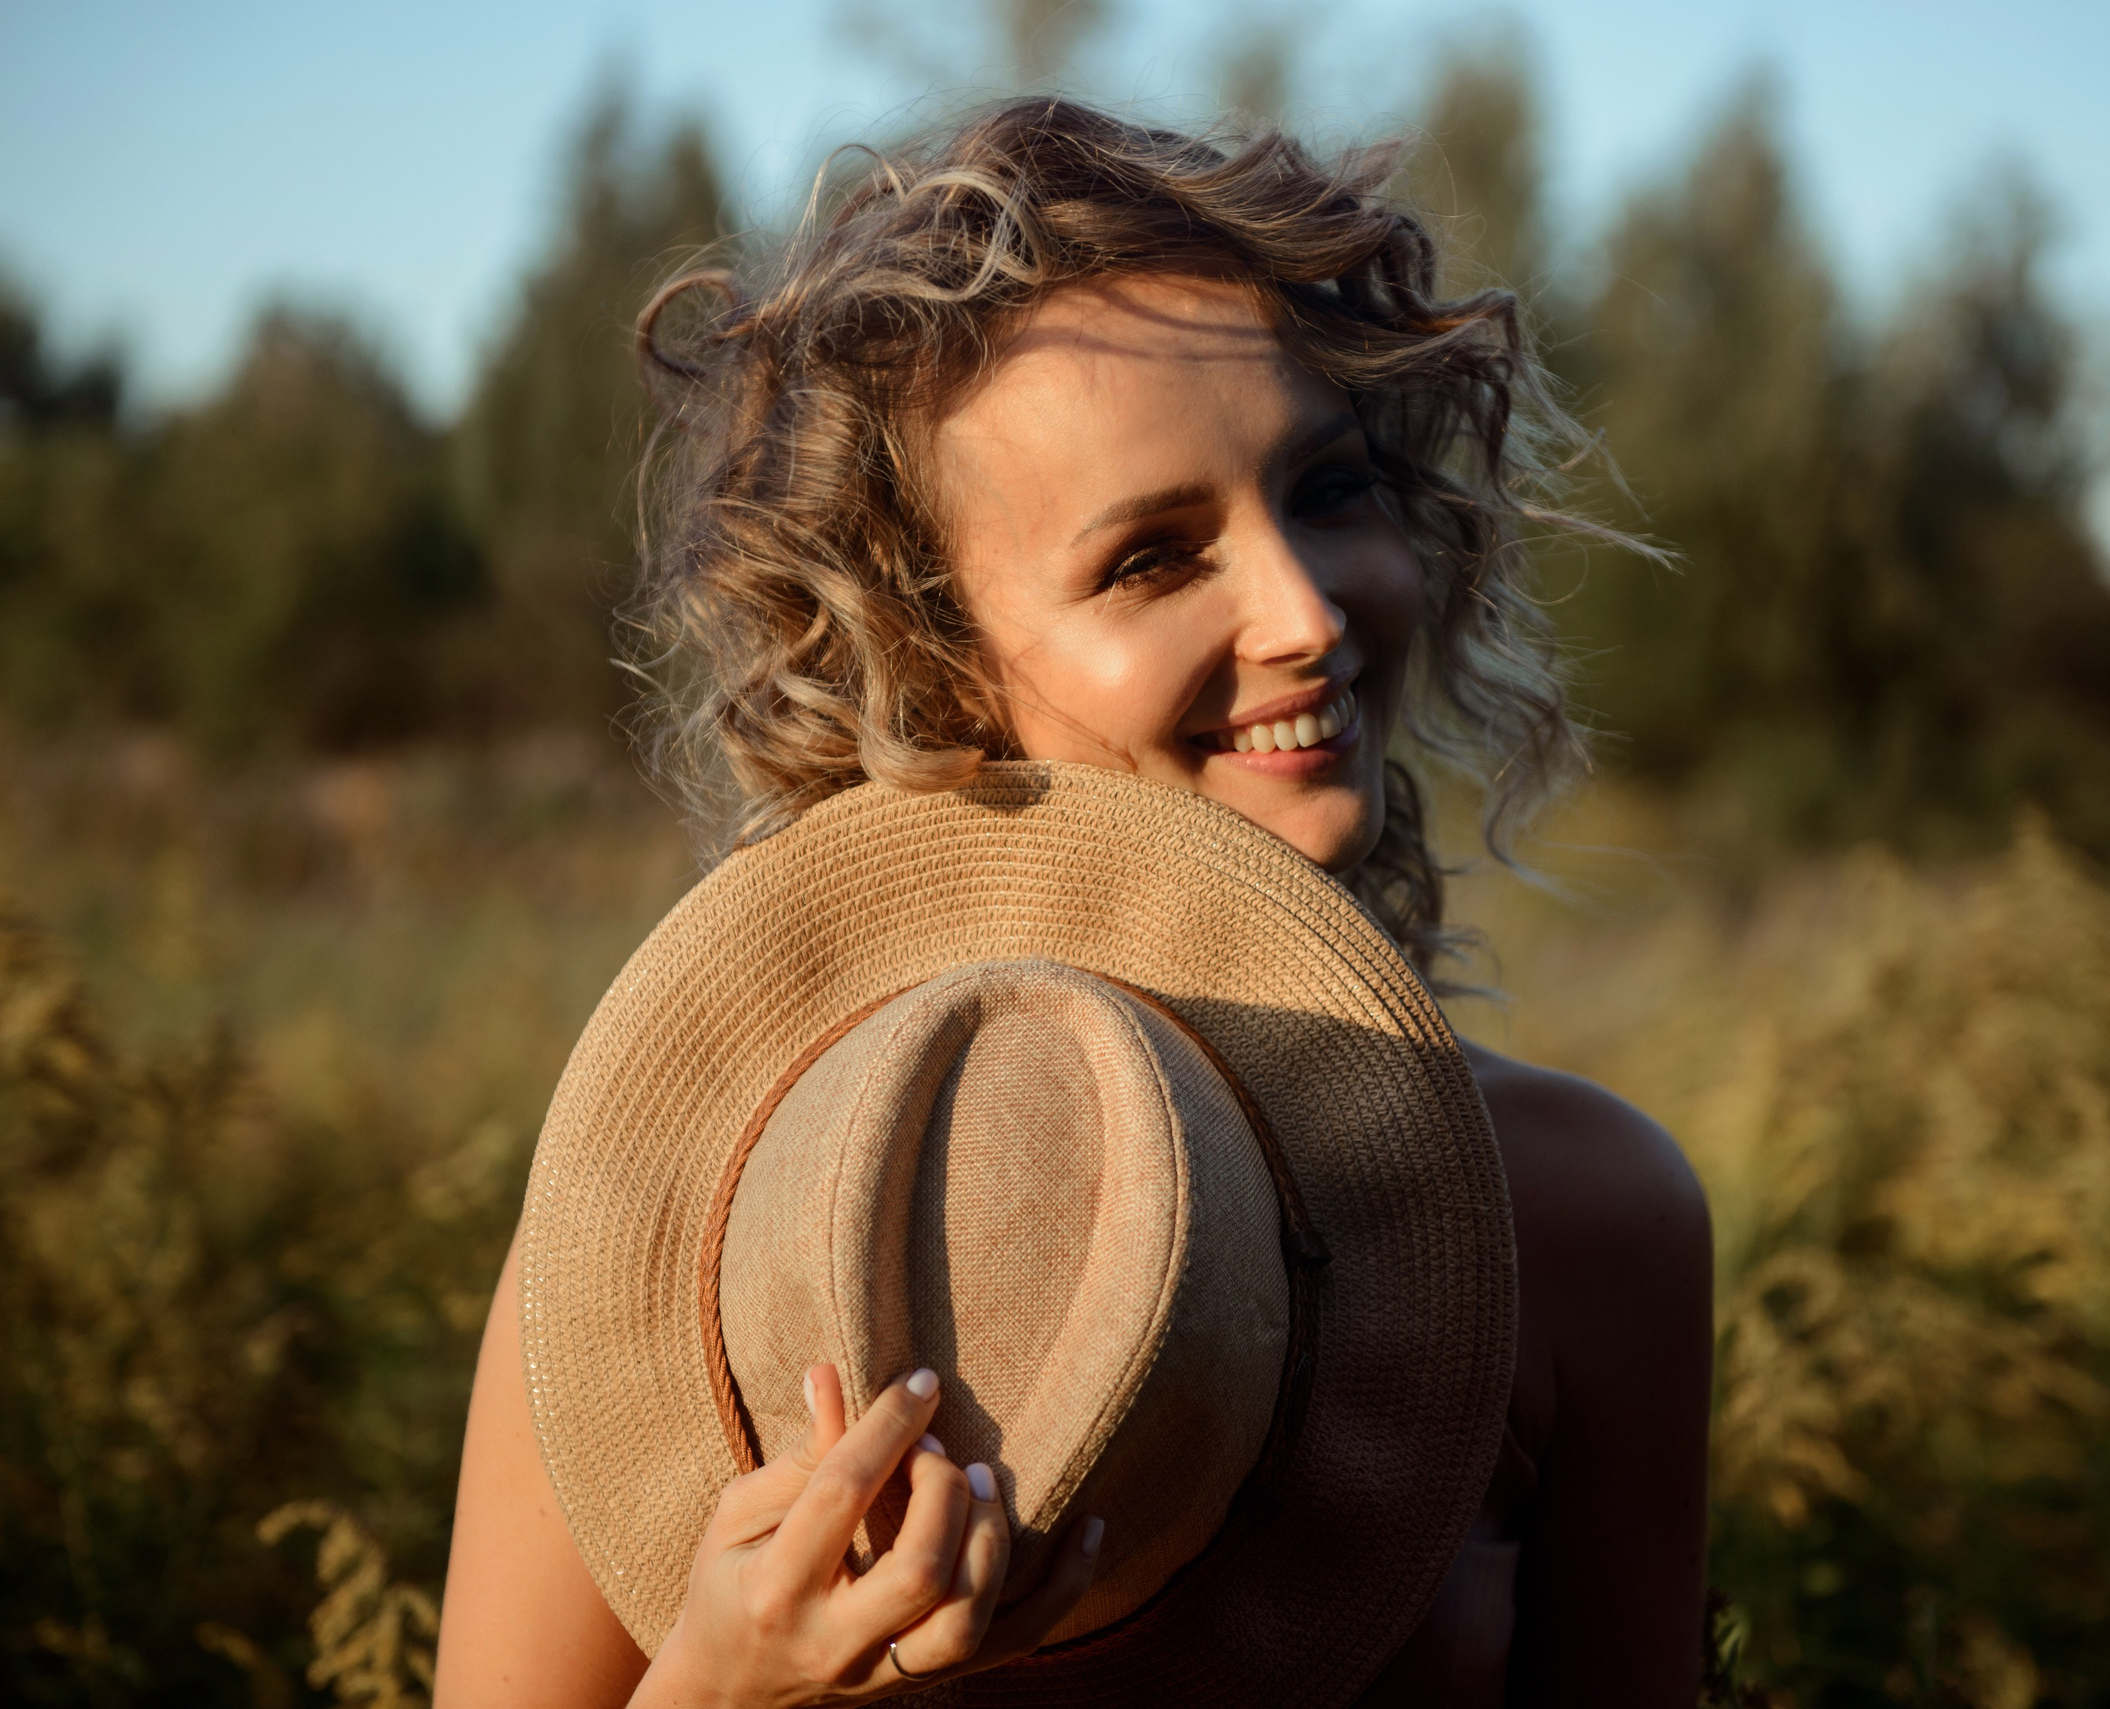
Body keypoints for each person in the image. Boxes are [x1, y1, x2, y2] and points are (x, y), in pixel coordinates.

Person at [436, 96, 1712, 1706]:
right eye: (1153, 558)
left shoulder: (1584, 1223)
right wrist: (716, 1685)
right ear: (937, 662)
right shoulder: (667, 1236)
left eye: (1326, 490)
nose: (1306, 611)